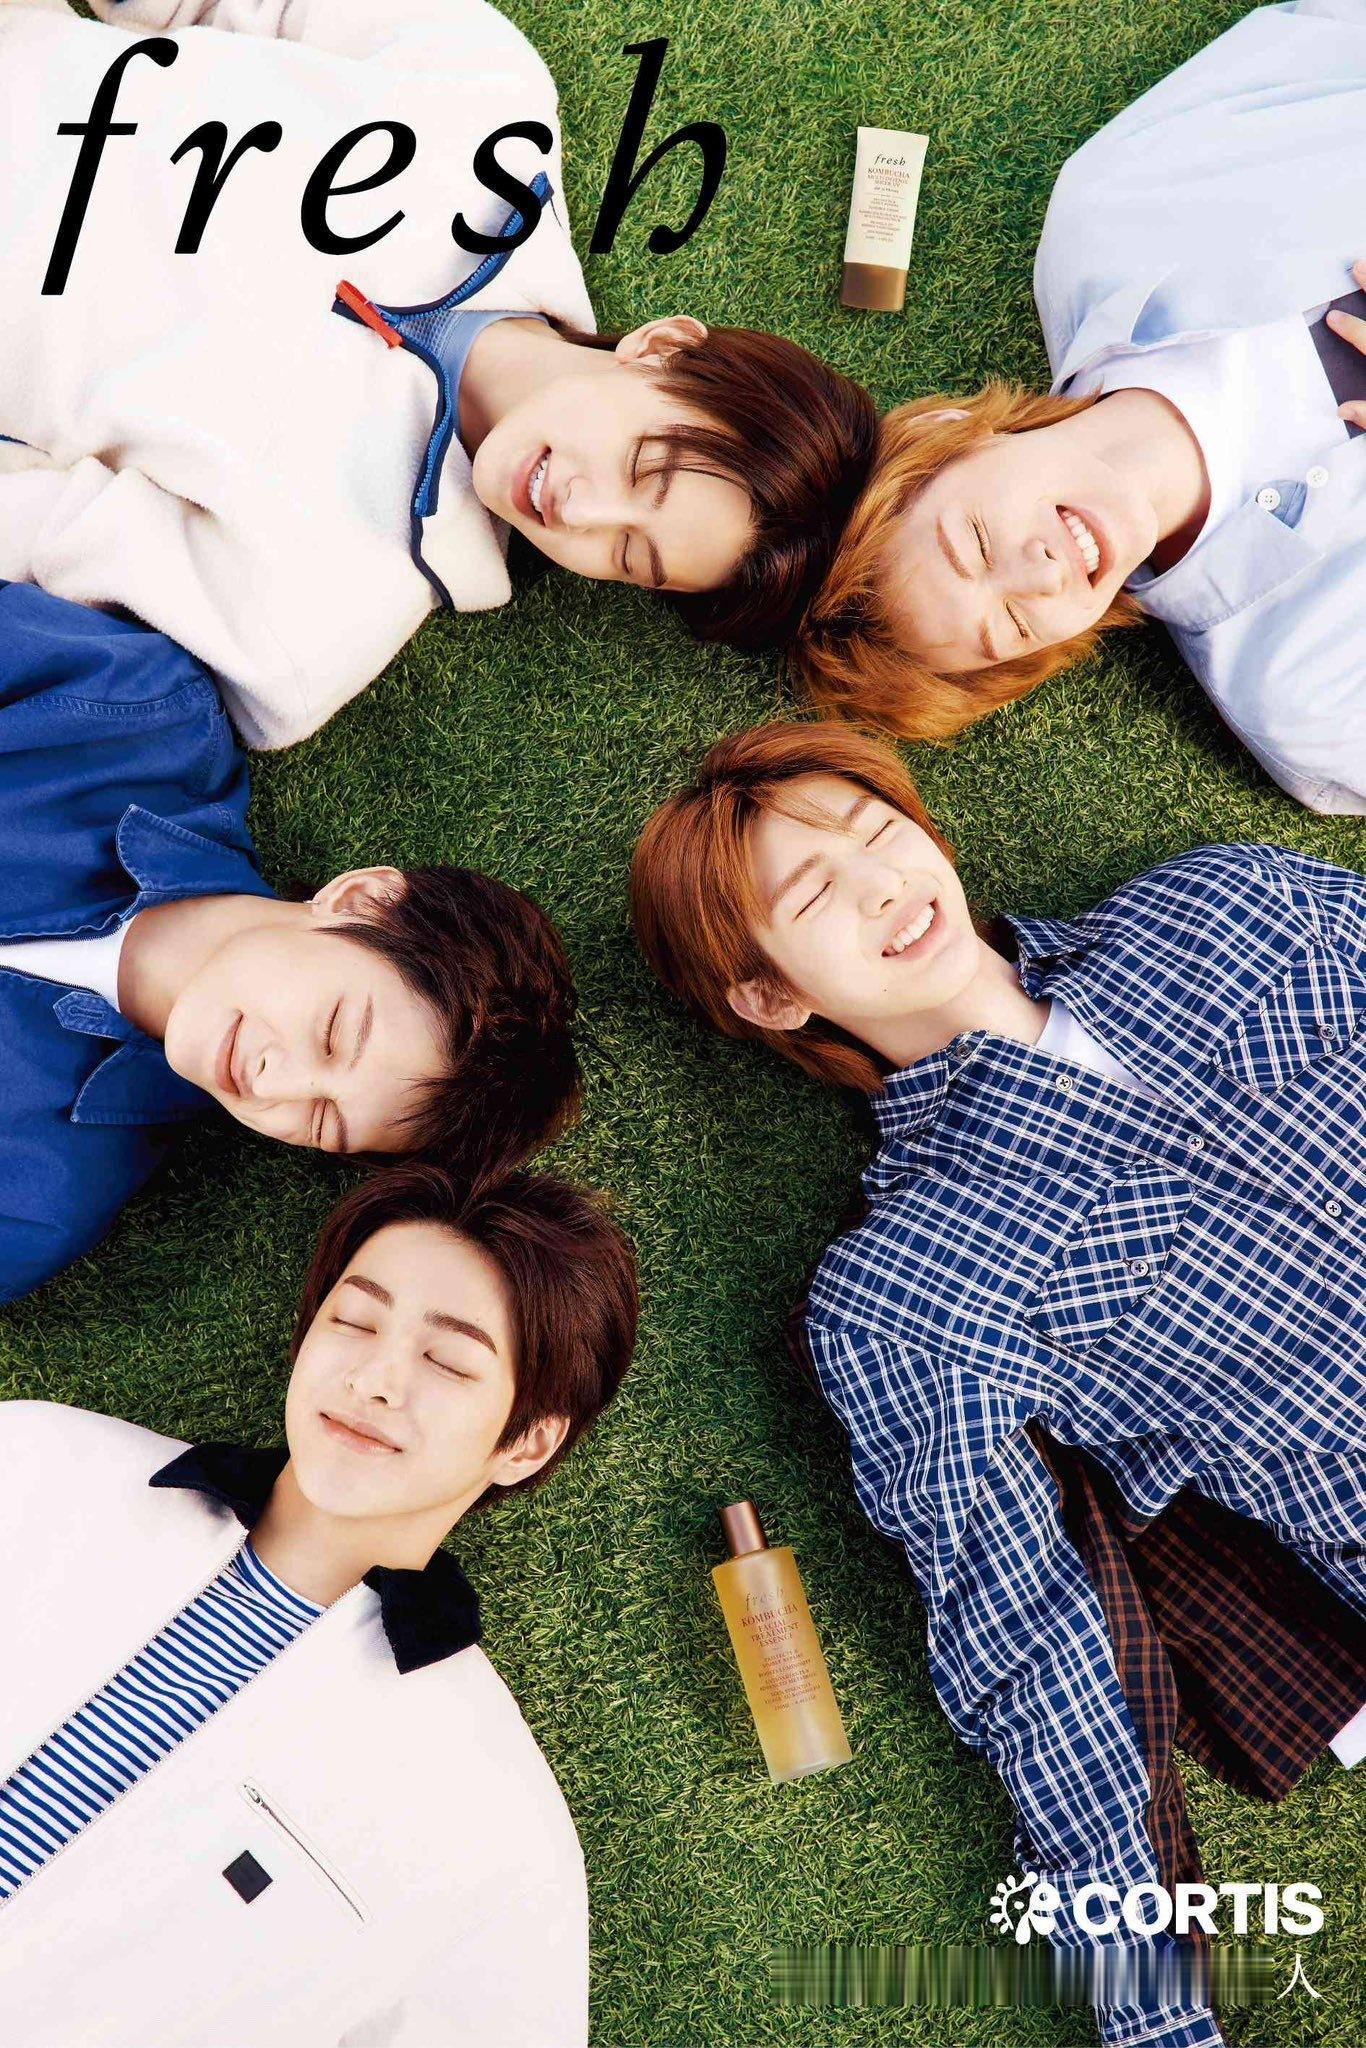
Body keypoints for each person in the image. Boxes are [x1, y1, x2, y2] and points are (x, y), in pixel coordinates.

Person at [630, 718, 1366, 2048]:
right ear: (769, 997)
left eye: (875, 831)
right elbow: (1028, 1635)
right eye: (813, 894)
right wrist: (1156, 2012)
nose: (879, 884)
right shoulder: (904, 1289)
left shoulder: (1226, 903)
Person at [0, 0, 877, 749]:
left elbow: (39, 527)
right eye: (644, 466)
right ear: (663, 349)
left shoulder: (321, 614)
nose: (581, 512)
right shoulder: (491, 100)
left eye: (627, 555)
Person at [0, 1159, 638, 2046]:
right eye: (355, 1321)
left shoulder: (495, 1832)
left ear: (525, 1444)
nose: (375, 1378)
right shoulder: (36, 1460)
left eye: (448, 1362)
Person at [793, 0, 1366, 813]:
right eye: (1016, 627)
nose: (1041, 576)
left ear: (956, 437)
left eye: (976, 543)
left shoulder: (1119, 208)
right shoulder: (1312, 698)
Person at [0, 581, 579, 1302]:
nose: (274, 1087)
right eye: (333, 1033)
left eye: (322, 1120)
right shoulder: (134, 717)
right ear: (357, 901)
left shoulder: (40, 1201)